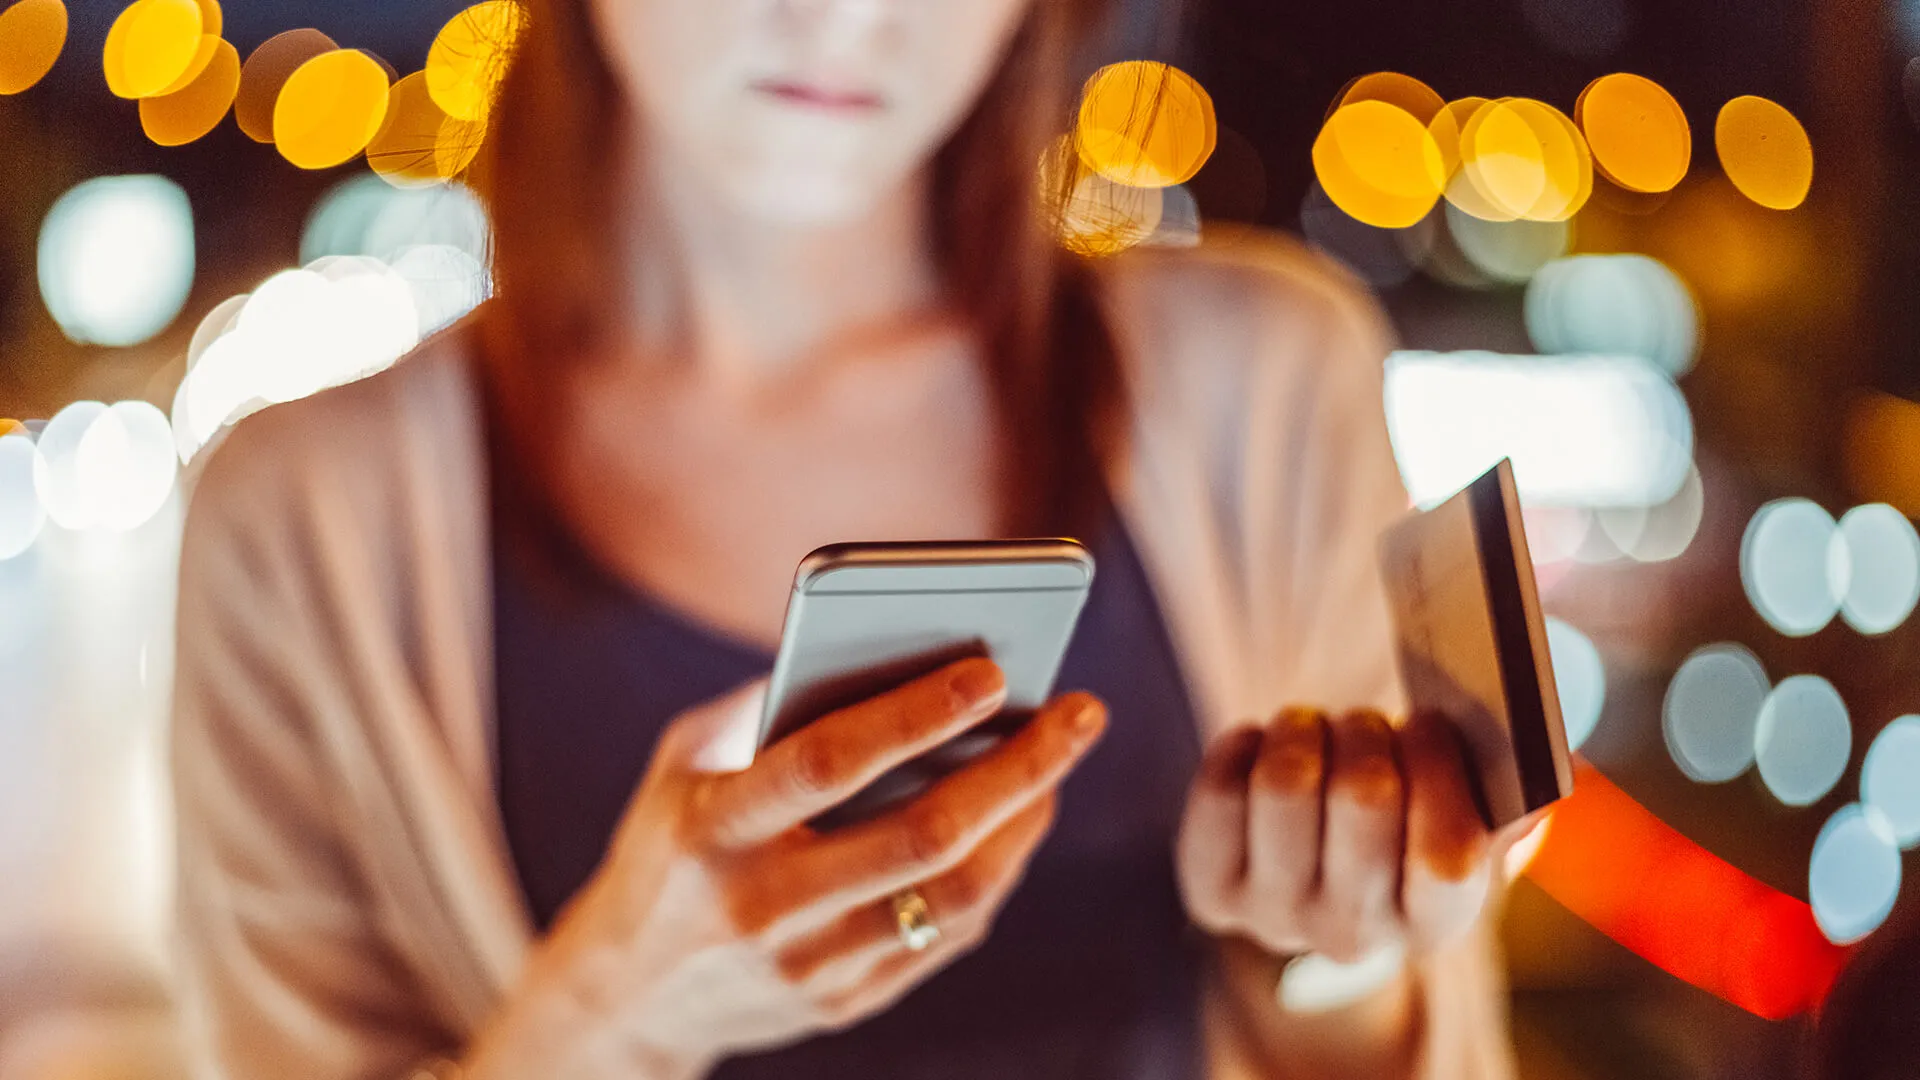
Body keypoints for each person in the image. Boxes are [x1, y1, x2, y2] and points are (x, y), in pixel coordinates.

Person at [170, 0, 1523, 1077]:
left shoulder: (1269, 385)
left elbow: (1401, 1030)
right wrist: (613, 1019)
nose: (849, 14)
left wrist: (1349, 949)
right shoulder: (301, 524)